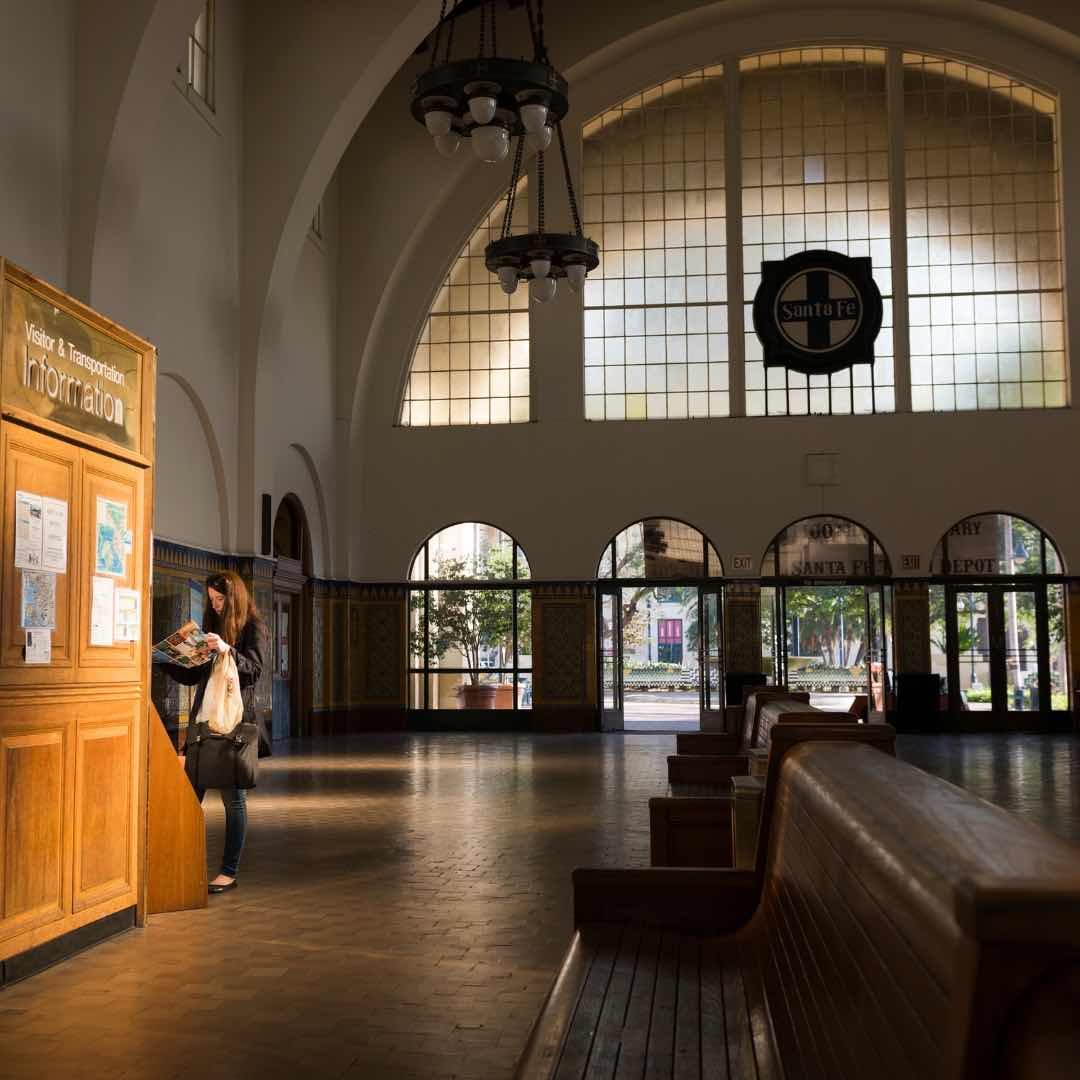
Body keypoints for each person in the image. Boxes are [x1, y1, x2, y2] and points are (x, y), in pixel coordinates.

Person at [164, 571, 267, 894]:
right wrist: (165, 660)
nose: (216, 605)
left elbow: (254, 671)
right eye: (212, 600)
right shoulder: (213, 627)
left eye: (221, 599)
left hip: (234, 721)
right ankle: (176, 864)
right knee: (188, 793)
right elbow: (194, 678)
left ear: (234, 597)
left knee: (233, 797)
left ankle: (228, 871)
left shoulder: (253, 628)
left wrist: (227, 650)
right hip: (203, 722)